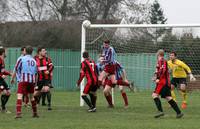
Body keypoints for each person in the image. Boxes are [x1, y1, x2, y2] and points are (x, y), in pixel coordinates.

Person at [152, 49, 183, 118]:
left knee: (154, 95)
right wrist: (155, 76)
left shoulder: (162, 61)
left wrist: (157, 78)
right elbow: (159, 71)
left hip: (163, 82)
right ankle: (179, 113)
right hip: (164, 82)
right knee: (168, 97)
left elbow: (163, 70)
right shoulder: (161, 61)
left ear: (158, 54)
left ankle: (160, 111)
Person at [13, 46, 38, 118]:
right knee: (32, 97)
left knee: (19, 96)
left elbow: (16, 68)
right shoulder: (34, 61)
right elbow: (36, 72)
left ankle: (18, 113)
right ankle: (35, 113)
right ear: (32, 52)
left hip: (23, 80)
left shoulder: (21, 59)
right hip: (31, 81)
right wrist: (35, 83)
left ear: (25, 51)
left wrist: (18, 76)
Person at [0, 47, 12, 113]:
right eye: (6, 51)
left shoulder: (2, 60)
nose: (6, 53)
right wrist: (1, 75)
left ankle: (2, 107)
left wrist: (9, 74)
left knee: (8, 93)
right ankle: (3, 109)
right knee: (4, 93)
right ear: (3, 53)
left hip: (1, 80)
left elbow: (2, 71)